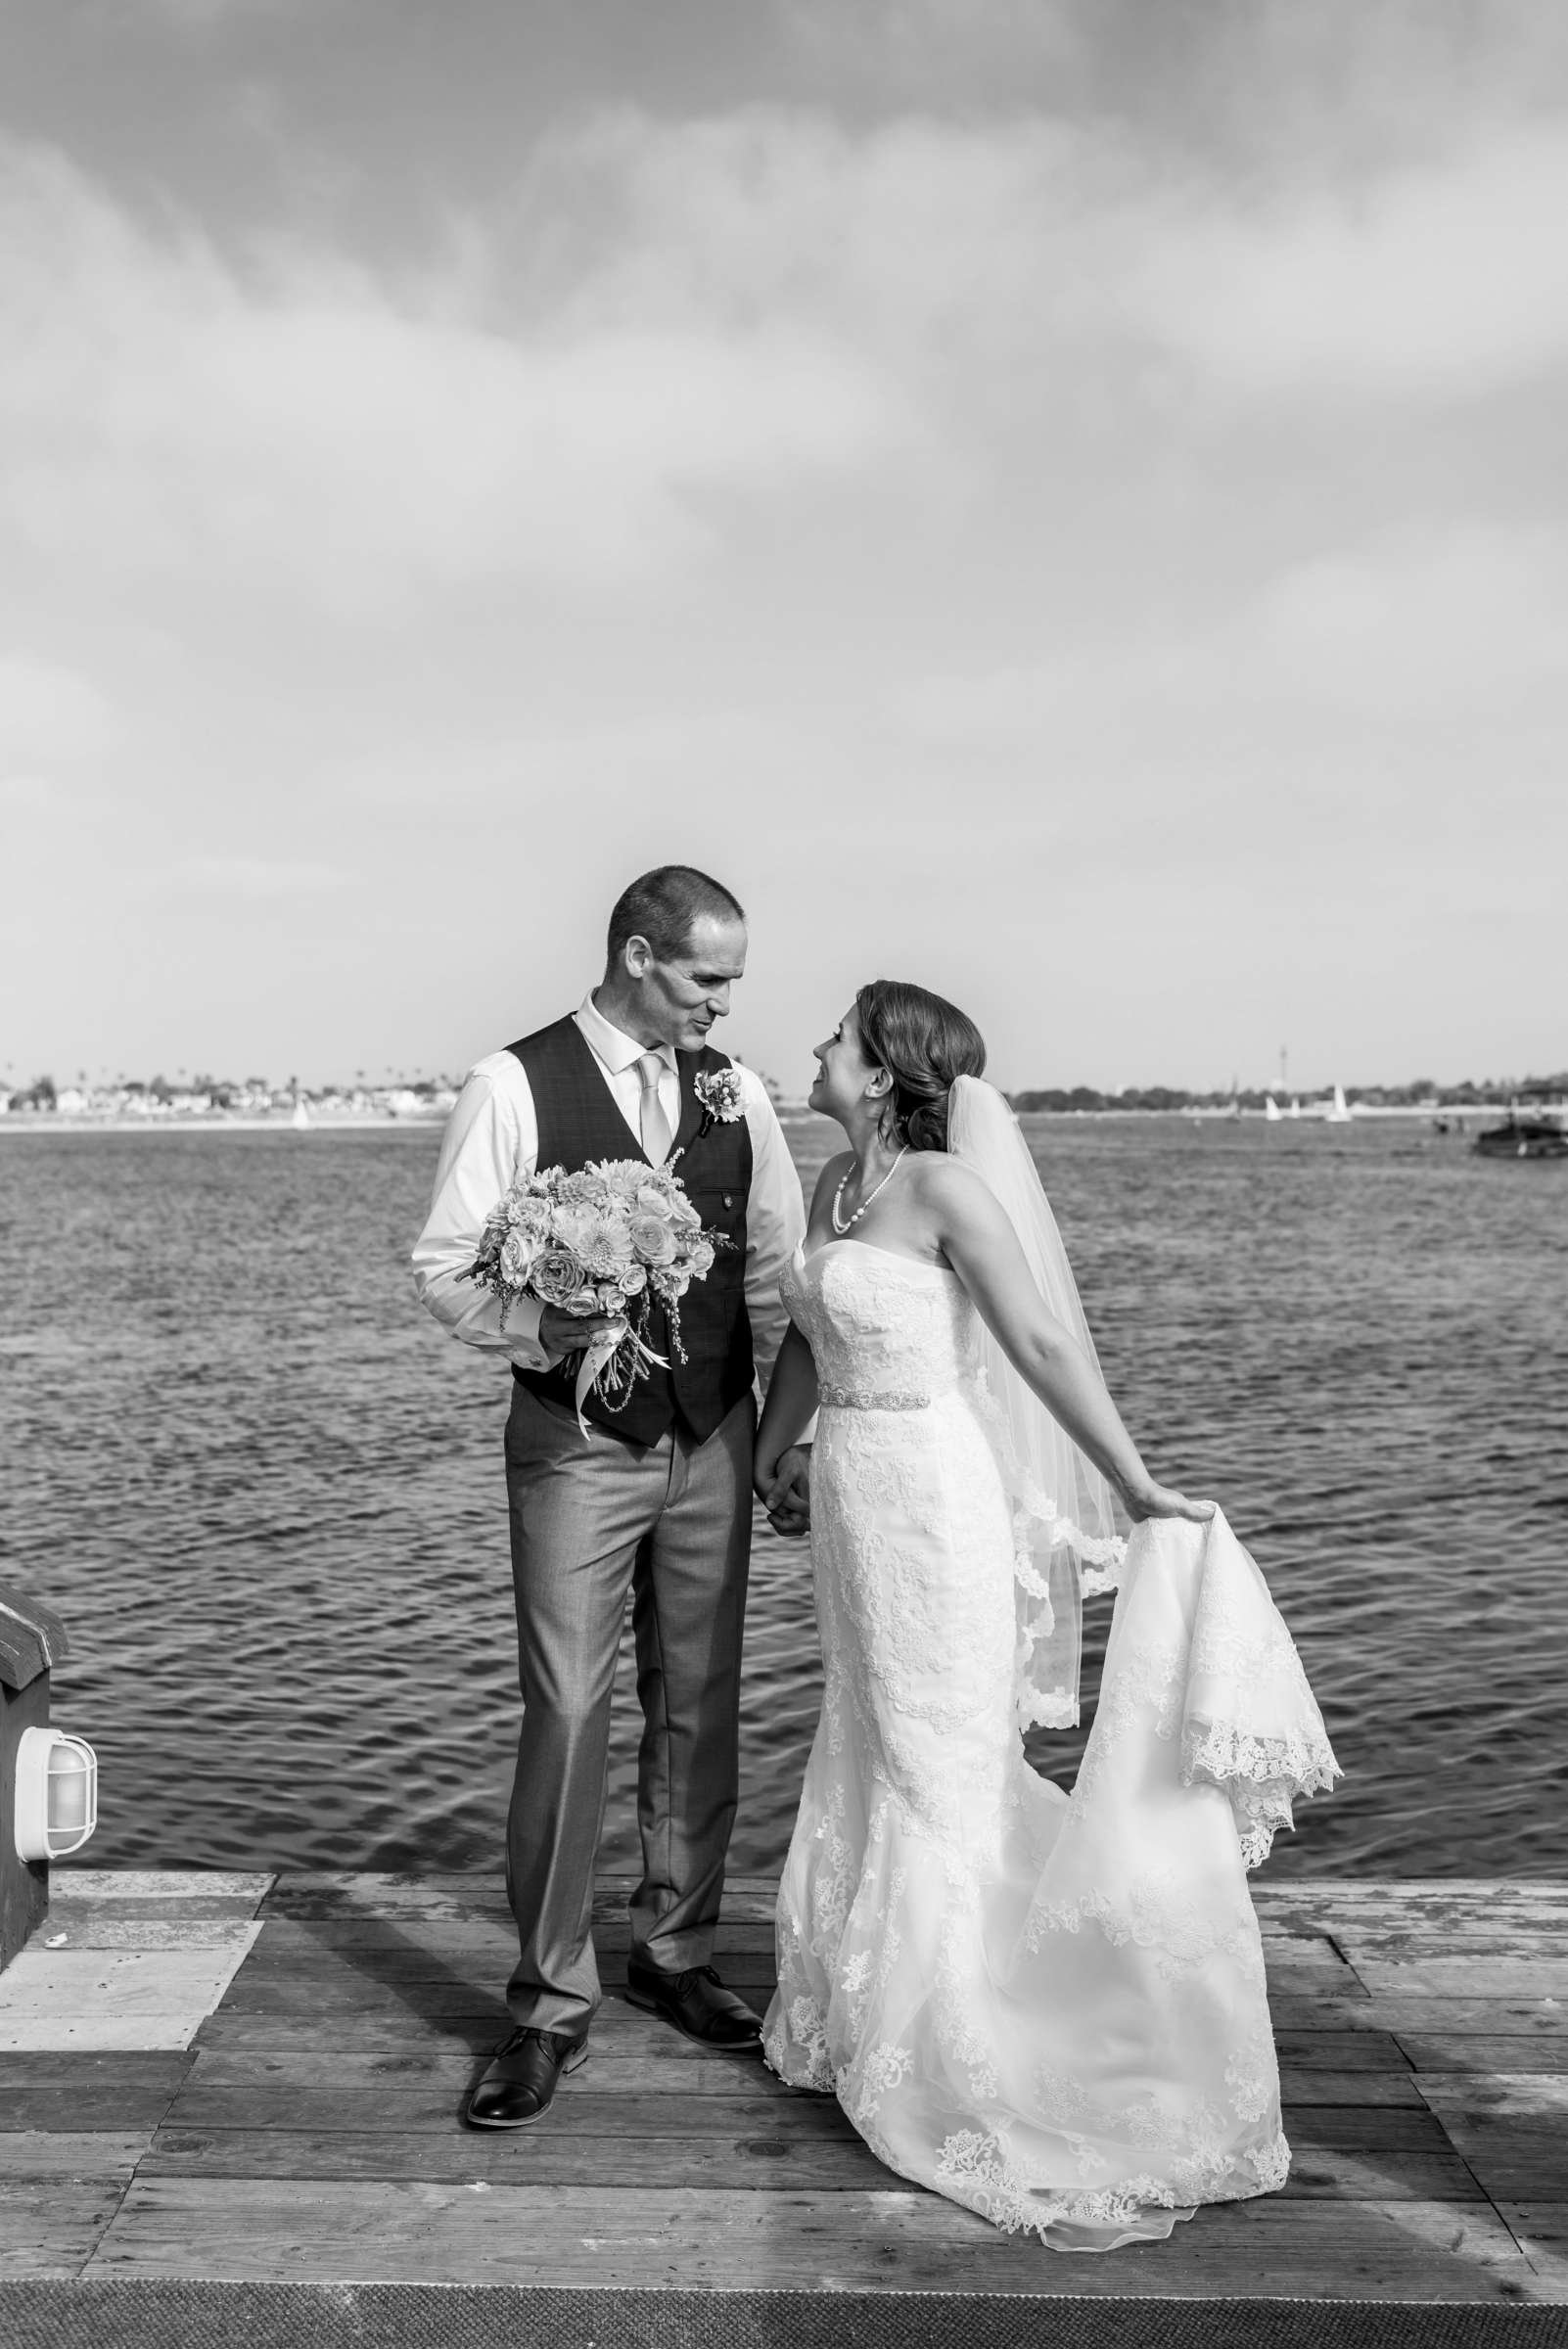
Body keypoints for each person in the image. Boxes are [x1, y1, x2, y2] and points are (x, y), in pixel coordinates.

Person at [753, 980, 1338, 2249]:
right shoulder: (830, 1185)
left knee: (939, 1760)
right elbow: (807, 1326)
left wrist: (1130, 1484)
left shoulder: (946, 1189)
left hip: (933, 1498)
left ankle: (967, 2034)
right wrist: (775, 1447)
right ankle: (863, 2012)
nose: (811, 1047)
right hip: (851, 1498)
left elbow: (1038, 1342)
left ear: (883, 1064)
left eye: (833, 1036)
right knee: (866, 1735)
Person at [413, 865, 808, 2129]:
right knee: (569, 1707)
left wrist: (777, 1437)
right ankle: (545, 2003)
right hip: (575, 1448)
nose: (724, 1002)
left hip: (713, 1435)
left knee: (698, 1700)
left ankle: (676, 1953)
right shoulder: (513, 1083)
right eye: (708, 977)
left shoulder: (738, 1092)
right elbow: (442, 1269)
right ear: (638, 957)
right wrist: (550, 1325)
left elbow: (775, 1274)